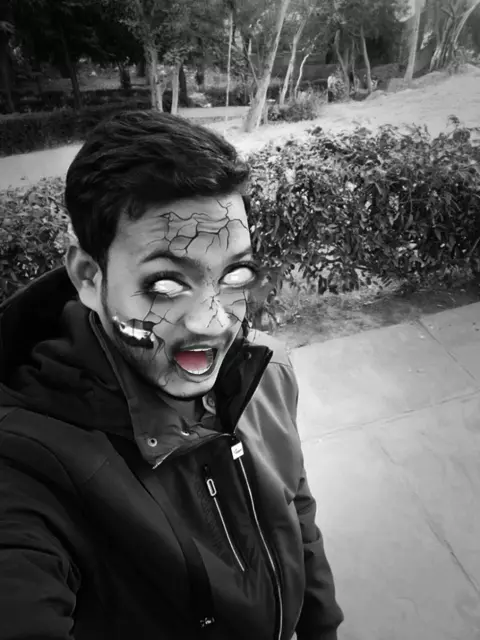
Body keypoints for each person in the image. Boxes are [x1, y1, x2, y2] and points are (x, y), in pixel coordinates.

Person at [0, 111, 344, 640]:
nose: (214, 323)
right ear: (89, 277)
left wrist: (322, 629)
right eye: (165, 285)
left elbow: (295, 513)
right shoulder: (28, 467)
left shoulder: (266, 372)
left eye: (234, 274)